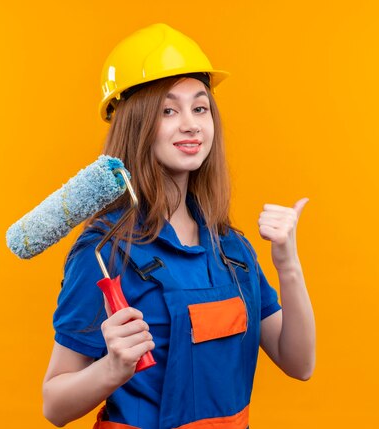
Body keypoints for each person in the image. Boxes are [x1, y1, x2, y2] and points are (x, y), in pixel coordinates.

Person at [42, 23, 315, 429]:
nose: (191, 124)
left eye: (200, 108)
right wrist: (112, 369)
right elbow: (54, 405)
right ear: (135, 123)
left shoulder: (231, 249)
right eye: (168, 110)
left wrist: (287, 262)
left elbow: (299, 363)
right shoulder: (105, 251)